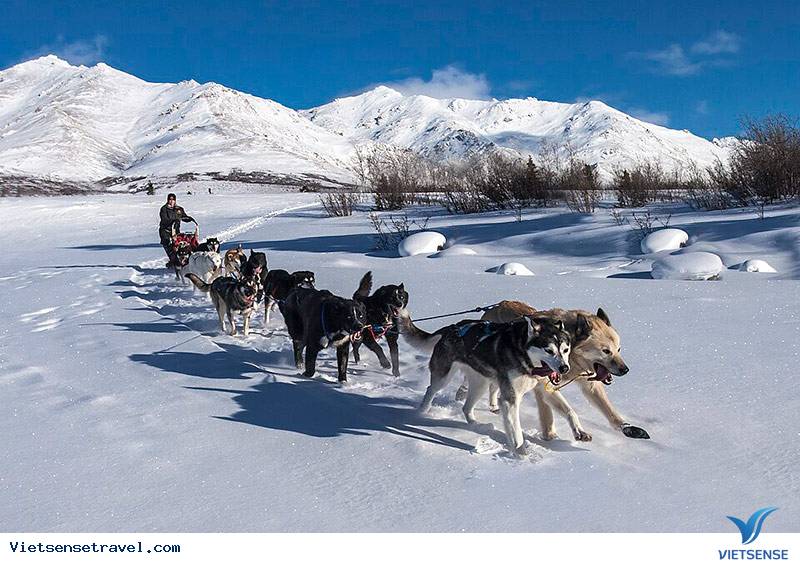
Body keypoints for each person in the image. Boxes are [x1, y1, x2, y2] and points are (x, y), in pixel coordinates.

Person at [159, 193, 195, 267]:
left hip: (175, 230)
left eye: (173, 200)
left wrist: (189, 219)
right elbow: (164, 219)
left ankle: (180, 259)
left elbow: (184, 216)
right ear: (167, 200)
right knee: (168, 244)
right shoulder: (164, 209)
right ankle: (172, 260)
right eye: (170, 199)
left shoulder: (179, 209)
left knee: (178, 245)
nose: (171, 201)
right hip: (165, 230)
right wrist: (174, 220)